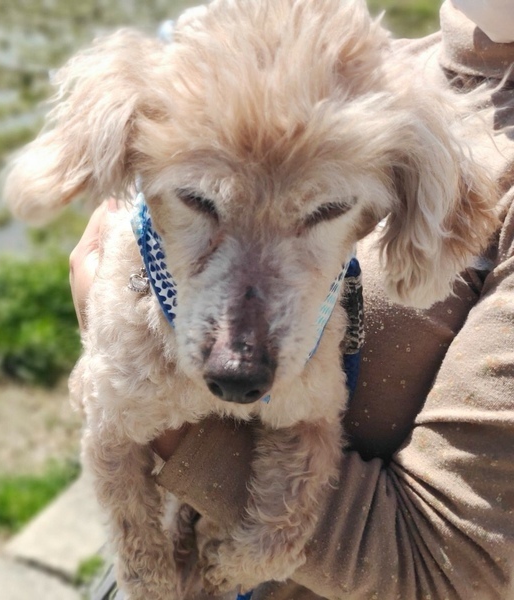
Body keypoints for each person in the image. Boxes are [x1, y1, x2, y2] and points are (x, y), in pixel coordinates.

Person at [69, 1, 514, 598]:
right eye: (200, 199)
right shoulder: (373, 65)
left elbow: (450, 572)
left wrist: (166, 431)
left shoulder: (407, 126)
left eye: (326, 208)